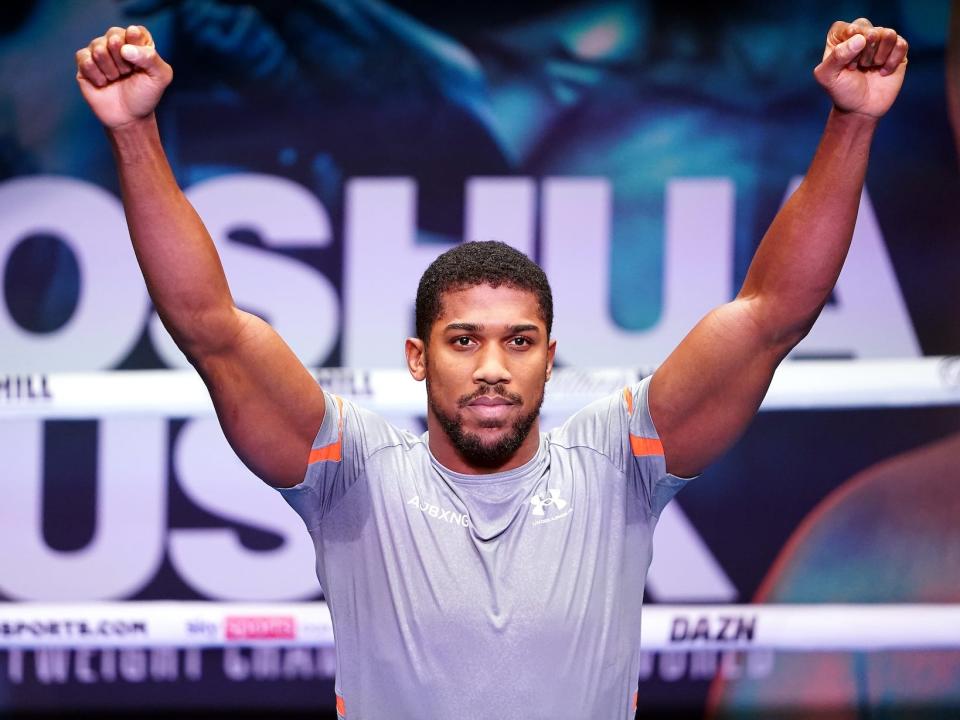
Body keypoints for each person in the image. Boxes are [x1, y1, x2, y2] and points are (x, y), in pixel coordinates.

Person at [75, 17, 908, 720]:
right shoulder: (350, 472)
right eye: (463, 340)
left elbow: (771, 317)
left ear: (550, 357)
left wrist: (853, 124)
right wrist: (133, 133)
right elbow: (209, 329)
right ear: (416, 357)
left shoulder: (620, 462)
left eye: (517, 341)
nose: (492, 368)